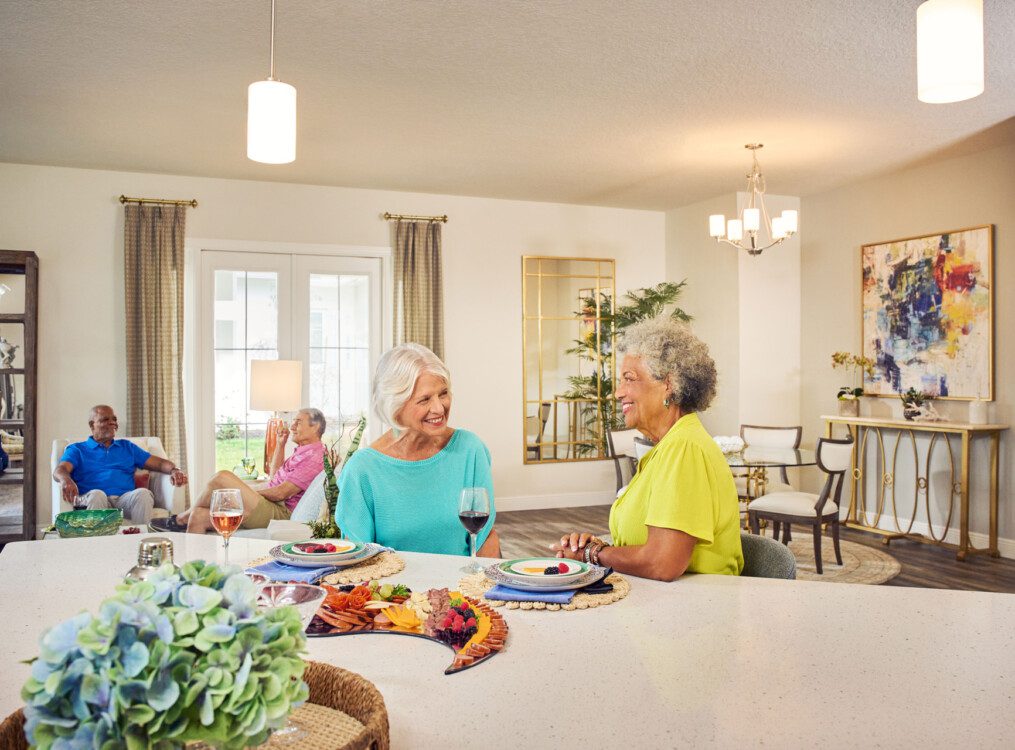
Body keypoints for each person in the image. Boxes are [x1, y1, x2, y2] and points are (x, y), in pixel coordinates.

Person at [552, 317, 744, 579]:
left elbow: (661, 563)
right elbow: (646, 544)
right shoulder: (666, 448)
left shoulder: (684, 448)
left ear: (668, 384)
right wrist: (598, 548)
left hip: (696, 610)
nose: (619, 393)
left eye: (629, 379)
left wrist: (592, 555)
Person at [337, 343, 501, 557]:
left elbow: (485, 538)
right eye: (425, 399)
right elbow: (357, 557)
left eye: (443, 394)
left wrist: (484, 588)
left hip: (460, 588)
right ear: (394, 404)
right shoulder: (362, 469)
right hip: (395, 587)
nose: (439, 408)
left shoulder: (470, 450)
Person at [151, 408, 326, 533]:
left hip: (281, 513)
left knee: (222, 477)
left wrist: (248, 492)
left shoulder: (315, 456)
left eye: (298, 422)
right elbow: (274, 477)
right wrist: (280, 444)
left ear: (315, 427)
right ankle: (195, 575)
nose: (292, 426)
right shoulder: (303, 452)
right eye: (293, 421)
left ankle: (180, 519)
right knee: (197, 516)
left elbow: (281, 493)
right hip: (273, 506)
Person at [53, 405, 188, 523]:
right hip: (93, 498)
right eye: (105, 420)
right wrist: (66, 479)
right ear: (91, 425)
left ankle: (136, 540)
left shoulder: (127, 447)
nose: (112, 423)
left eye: (114, 419)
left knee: (143, 494)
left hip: (123, 500)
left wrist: (174, 470)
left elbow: (158, 463)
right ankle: (96, 546)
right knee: (97, 494)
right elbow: (60, 469)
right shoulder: (77, 449)